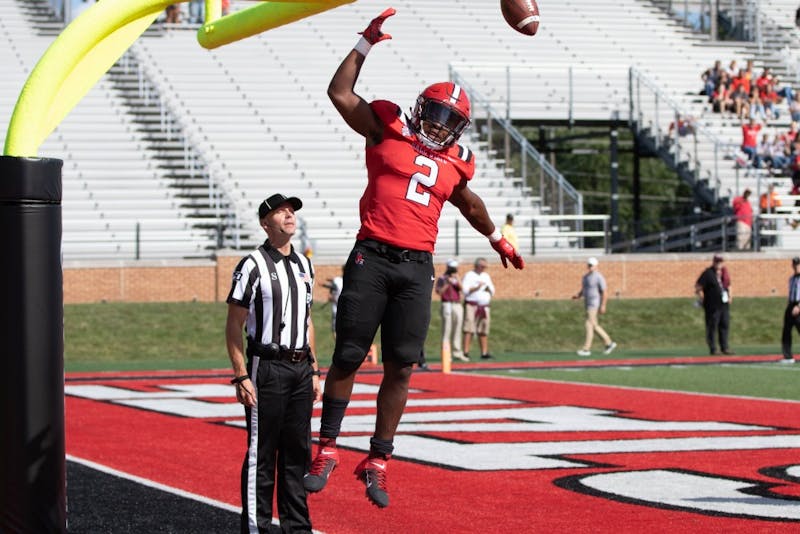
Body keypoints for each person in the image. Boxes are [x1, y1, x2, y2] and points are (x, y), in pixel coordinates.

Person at [302, 8, 524, 510]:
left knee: (402, 366)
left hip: (416, 266)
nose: (442, 126)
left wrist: (496, 239)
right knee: (349, 355)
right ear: (420, 108)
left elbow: (469, 203)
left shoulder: (456, 163)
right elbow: (340, 95)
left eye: (452, 121)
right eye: (437, 114)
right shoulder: (386, 127)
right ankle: (328, 448)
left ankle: (378, 459)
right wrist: (364, 43)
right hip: (373, 257)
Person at [225, 193, 322, 533]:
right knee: (261, 454)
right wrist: (241, 376)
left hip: (299, 369)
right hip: (265, 366)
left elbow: (307, 320)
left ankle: (297, 527)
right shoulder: (252, 264)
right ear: (266, 224)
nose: (289, 215)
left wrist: (313, 368)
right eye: (280, 211)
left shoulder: (304, 265)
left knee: (298, 454)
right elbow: (233, 324)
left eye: (291, 210)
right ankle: (257, 528)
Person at [572, 257, 617, 357]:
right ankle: (609, 343)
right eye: (589, 265)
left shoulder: (599, 277)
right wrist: (578, 296)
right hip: (587, 303)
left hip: (594, 303)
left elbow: (604, 292)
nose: (590, 267)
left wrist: (603, 305)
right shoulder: (585, 277)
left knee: (589, 324)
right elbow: (584, 289)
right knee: (594, 325)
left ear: (596, 266)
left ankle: (586, 349)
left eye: (592, 265)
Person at [695, 254, 733, 355]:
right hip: (712, 305)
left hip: (723, 304)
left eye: (720, 262)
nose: (719, 264)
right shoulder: (708, 273)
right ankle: (713, 348)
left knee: (724, 325)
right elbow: (698, 287)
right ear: (714, 262)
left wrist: (730, 296)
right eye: (717, 262)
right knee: (712, 326)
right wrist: (702, 297)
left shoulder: (724, 273)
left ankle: (724, 347)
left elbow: (728, 285)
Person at [462, 258, 496, 360]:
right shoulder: (469, 275)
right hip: (472, 305)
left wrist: (488, 289)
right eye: (482, 266)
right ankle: (466, 352)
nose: (484, 268)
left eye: (485, 266)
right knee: (469, 329)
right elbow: (465, 290)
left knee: (483, 330)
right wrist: (476, 288)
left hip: (484, 306)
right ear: (477, 265)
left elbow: (492, 290)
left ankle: (484, 352)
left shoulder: (486, 276)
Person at [435, 258, 467, 361]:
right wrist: (447, 283)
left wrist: (457, 279)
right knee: (447, 329)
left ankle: (457, 352)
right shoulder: (442, 278)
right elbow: (439, 292)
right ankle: (446, 353)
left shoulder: (457, 277)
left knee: (457, 328)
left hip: (457, 304)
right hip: (447, 304)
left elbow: (462, 289)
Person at [780, 256, 800, 363]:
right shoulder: (791, 279)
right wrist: (789, 305)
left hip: (799, 305)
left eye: (798, 264)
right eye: (794, 264)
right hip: (791, 305)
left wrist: (799, 306)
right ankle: (788, 356)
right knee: (786, 331)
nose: (796, 266)